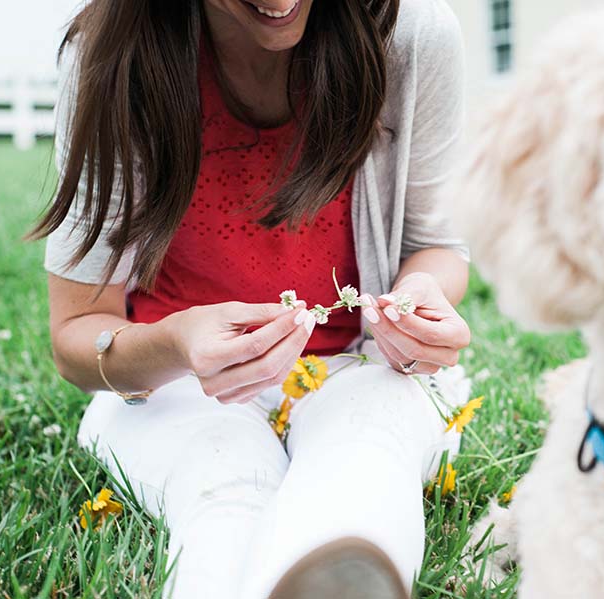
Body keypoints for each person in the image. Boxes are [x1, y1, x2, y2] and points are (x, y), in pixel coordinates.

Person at [31, 0, 471, 597]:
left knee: (366, 450)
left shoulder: (412, 36)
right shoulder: (113, 57)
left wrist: (420, 296)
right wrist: (174, 344)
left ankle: (344, 574)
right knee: (223, 479)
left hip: (359, 366)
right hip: (174, 384)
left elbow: (436, 247)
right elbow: (77, 333)